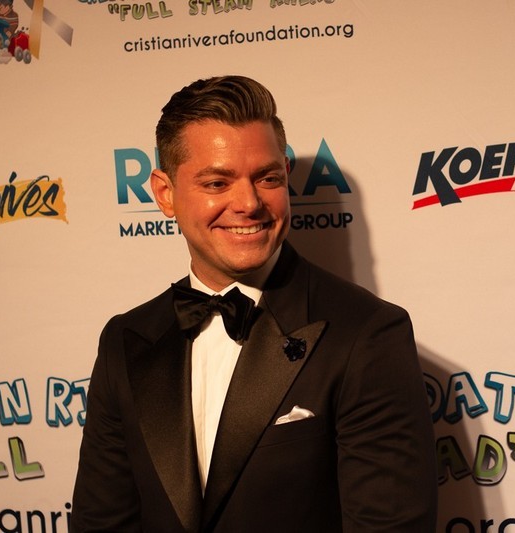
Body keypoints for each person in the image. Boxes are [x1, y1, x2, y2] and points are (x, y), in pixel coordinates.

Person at [71, 75, 437, 532]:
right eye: (217, 183)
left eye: (267, 178)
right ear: (165, 194)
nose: (248, 203)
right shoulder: (126, 339)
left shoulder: (368, 335)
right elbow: (101, 523)